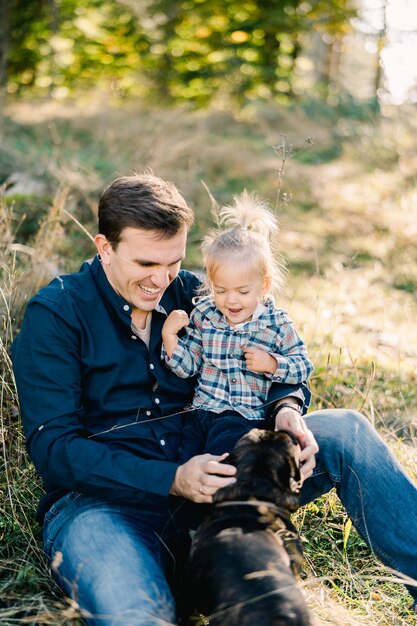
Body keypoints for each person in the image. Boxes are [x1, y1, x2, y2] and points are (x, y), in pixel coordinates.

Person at [12, 174, 417, 625]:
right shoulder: (57, 314)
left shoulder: (194, 293)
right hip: (103, 507)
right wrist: (172, 478)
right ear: (104, 247)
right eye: (146, 263)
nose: (161, 279)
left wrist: (286, 409)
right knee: (136, 615)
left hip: (223, 474)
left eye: (174, 262)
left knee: (347, 429)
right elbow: (54, 450)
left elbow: (270, 352)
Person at [162, 191, 314, 457]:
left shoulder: (275, 323)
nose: (231, 301)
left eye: (243, 292)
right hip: (201, 412)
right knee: (184, 458)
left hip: (243, 418)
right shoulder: (205, 315)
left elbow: (303, 365)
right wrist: (170, 337)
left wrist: (272, 364)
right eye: (220, 290)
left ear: (263, 285)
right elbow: (190, 366)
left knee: (223, 458)